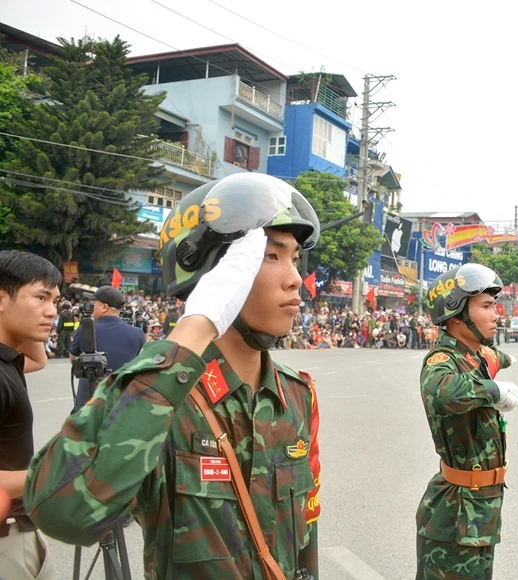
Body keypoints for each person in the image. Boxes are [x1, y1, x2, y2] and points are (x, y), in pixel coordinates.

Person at [25, 174, 323, 579]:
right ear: (210, 271)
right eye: (270, 256)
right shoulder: (161, 397)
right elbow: (64, 512)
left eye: (293, 258)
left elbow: (305, 530)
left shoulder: (294, 394)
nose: (294, 279)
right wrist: (196, 326)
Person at [416, 263, 518, 580]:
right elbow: (441, 392)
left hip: (480, 508)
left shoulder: (476, 354)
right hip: (456, 513)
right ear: (456, 311)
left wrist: (503, 361)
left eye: (495, 306)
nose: (496, 315)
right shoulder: (442, 360)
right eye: (486, 306)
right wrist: (492, 390)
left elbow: (494, 357)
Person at [0, 250, 62, 579]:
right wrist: (60, 473)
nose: (52, 311)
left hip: (21, 528)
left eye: (55, 300)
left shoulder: (10, 359)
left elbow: (38, 361)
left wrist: (28, 325)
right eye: (40, 297)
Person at [68, 285, 147, 411]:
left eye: (94, 303)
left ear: (104, 307)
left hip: (88, 405)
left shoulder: (85, 329)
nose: (91, 306)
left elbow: (73, 359)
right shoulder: (137, 334)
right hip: (122, 405)